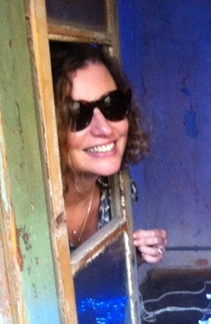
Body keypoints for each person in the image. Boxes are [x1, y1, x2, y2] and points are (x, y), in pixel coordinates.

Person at [50, 42, 167, 264]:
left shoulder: (120, 191)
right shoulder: (26, 221)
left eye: (112, 105)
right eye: (76, 115)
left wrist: (134, 257)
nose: (104, 129)